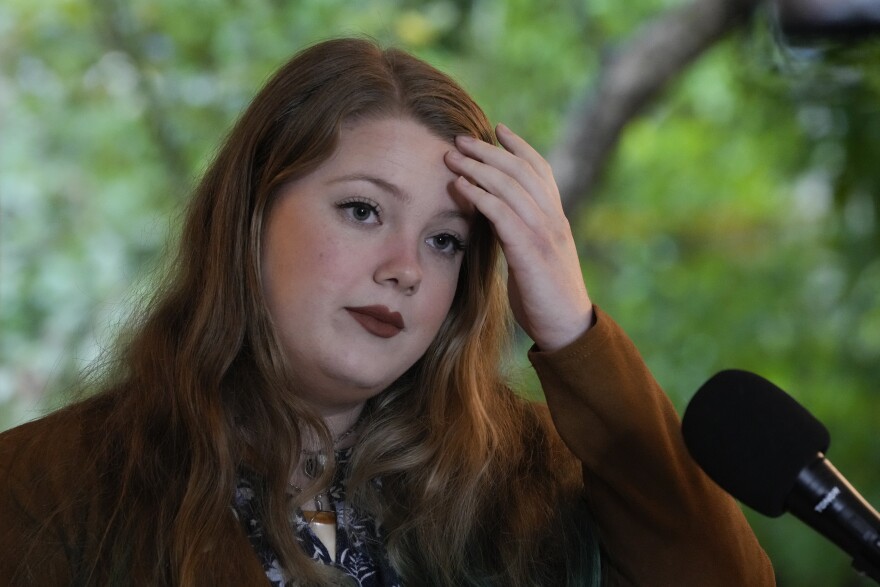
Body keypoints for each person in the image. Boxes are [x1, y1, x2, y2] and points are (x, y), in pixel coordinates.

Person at [0, 37, 775, 586]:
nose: (405, 269)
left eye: (445, 240)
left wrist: (571, 327)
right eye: (364, 211)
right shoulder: (41, 485)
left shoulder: (528, 477)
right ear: (248, 218)